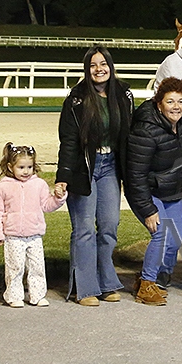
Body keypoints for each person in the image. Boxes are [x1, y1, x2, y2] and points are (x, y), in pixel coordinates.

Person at [55, 46, 134, 306]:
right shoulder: (76, 100)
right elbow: (68, 141)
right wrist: (63, 175)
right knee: (85, 229)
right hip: (84, 168)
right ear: (86, 70)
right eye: (93, 65)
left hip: (111, 167)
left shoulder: (124, 95)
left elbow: (129, 136)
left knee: (109, 226)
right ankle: (85, 288)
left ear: (110, 66)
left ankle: (105, 282)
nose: (99, 69)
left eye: (103, 64)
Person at [125, 77, 182, 306]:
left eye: (180, 101)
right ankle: (147, 284)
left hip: (173, 190)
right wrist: (148, 209)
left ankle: (160, 279)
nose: (176, 107)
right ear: (159, 103)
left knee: (174, 240)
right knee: (160, 233)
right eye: (170, 101)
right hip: (148, 190)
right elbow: (135, 174)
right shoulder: (145, 130)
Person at [0, 143, 67, 308]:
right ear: (11, 167)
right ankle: (14, 296)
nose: (26, 171)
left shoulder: (39, 185)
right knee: (15, 267)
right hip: (13, 237)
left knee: (37, 267)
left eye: (29, 167)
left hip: (34, 235)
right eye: (21, 167)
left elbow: (47, 205)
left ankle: (37, 295)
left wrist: (58, 198)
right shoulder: (2, 188)